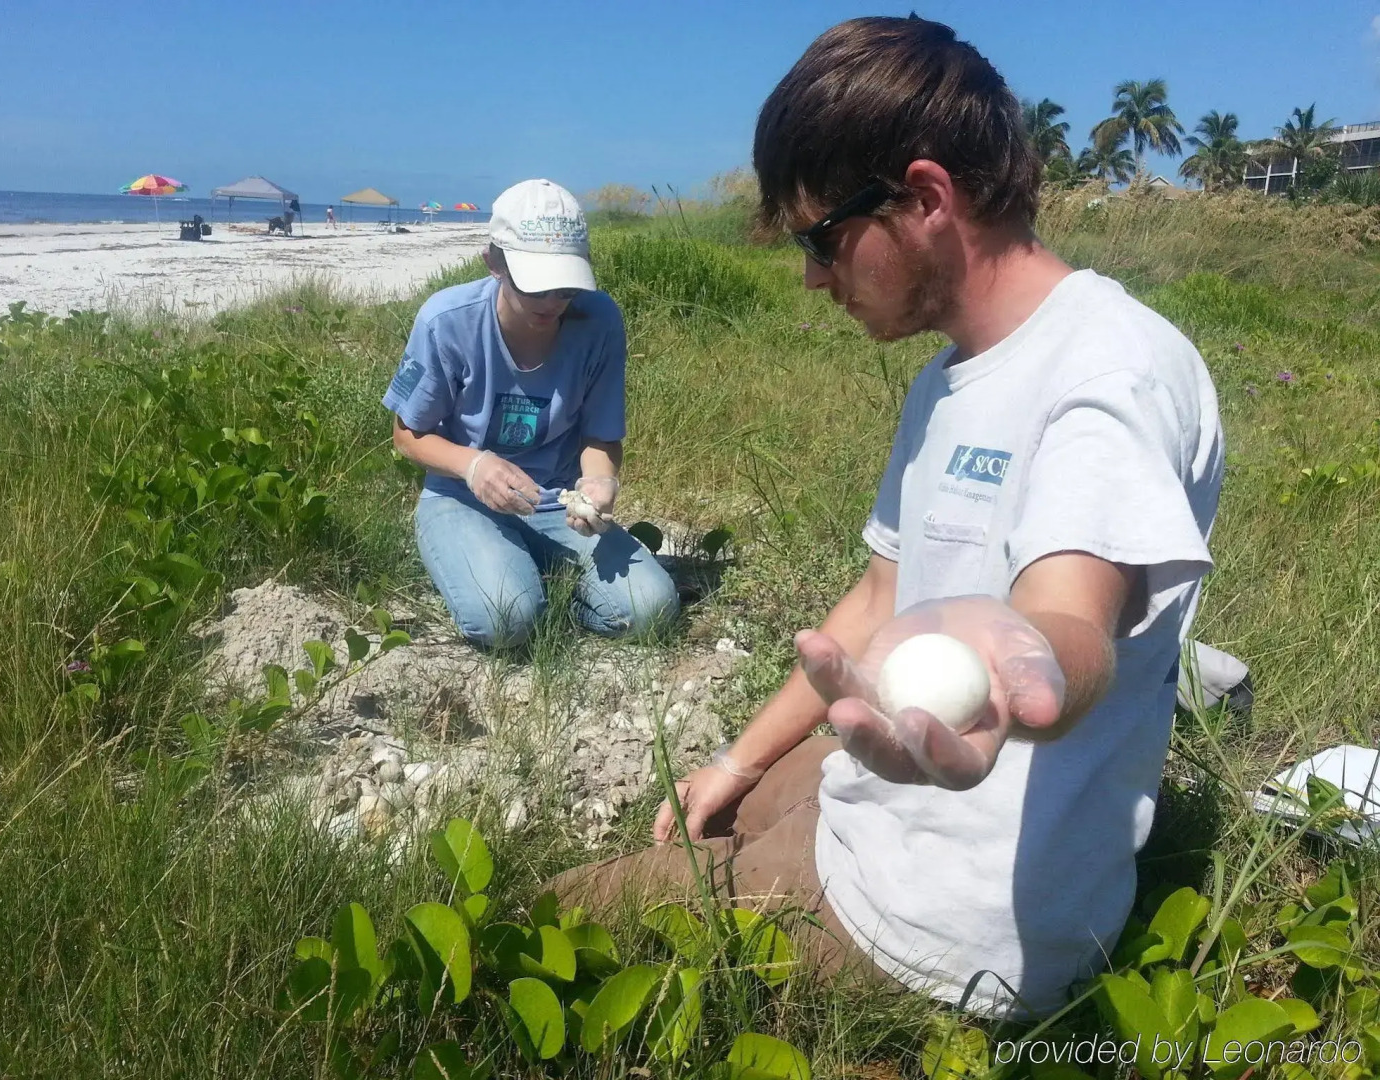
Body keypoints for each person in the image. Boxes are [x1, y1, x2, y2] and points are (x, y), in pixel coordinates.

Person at [549, 16, 1224, 1020]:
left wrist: (1019, 665)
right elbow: (881, 595)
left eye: (824, 238)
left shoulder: (1106, 376)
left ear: (925, 199)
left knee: (555, 916)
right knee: (719, 814)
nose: (814, 277)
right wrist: (737, 762)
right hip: (889, 794)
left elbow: (1073, 618)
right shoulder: (950, 383)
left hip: (945, 920)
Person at [383, 178, 680, 651]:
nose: (552, 303)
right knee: (506, 620)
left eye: (565, 288)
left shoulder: (599, 320)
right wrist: (473, 465)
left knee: (652, 608)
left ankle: (533, 578)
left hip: (556, 501)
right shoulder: (444, 320)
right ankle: (496, 568)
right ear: (494, 263)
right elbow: (405, 435)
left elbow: (601, 437)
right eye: (536, 286)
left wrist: (600, 484)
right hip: (461, 496)